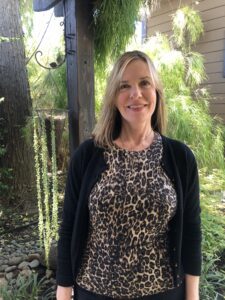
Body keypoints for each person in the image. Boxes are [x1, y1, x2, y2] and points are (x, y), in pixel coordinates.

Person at [56, 50, 201, 300]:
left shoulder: (180, 157)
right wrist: (63, 289)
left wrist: (193, 296)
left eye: (144, 82)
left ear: (156, 91)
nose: (136, 94)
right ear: (114, 97)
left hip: (163, 292)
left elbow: (191, 231)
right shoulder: (87, 156)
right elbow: (69, 226)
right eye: (125, 86)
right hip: (94, 291)